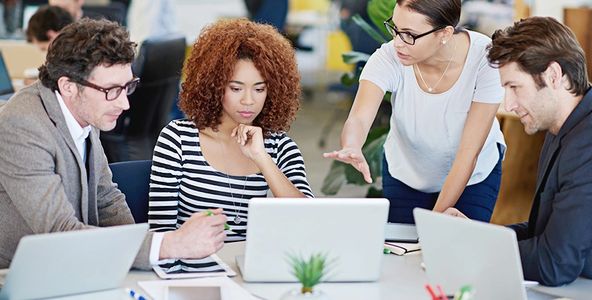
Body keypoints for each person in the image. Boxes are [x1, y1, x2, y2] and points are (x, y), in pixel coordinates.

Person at [0, 19, 226, 270]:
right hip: (20, 274)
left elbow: (106, 198)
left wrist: (139, 253)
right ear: (68, 87)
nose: (124, 104)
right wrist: (167, 245)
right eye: (111, 90)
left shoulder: (85, 108)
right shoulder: (22, 127)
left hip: (76, 265)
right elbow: (60, 232)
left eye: (127, 87)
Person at [445, 16, 592, 286]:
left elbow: (555, 263)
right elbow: (542, 233)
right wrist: (475, 235)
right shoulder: (564, 128)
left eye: (515, 87)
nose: (509, 103)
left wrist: (476, 249)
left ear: (553, 76)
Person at [324, 0, 505, 224]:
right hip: (407, 172)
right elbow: (359, 118)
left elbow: (468, 153)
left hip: (474, 176)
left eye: (409, 34)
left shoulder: (485, 59)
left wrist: (434, 224)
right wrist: (352, 145)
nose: (398, 43)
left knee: (457, 252)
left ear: (445, 33)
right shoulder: (389, 57)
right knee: (401, 248)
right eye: (395, 29)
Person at [149, 18, 314, 242]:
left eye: (259, 89)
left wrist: (262, 158)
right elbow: (160, 234)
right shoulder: (178, 139)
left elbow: (308, 220)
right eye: (236, 88)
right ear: (214, 86)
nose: (248, 101)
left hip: (252, 269)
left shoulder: (280, 147)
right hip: (192, 268)